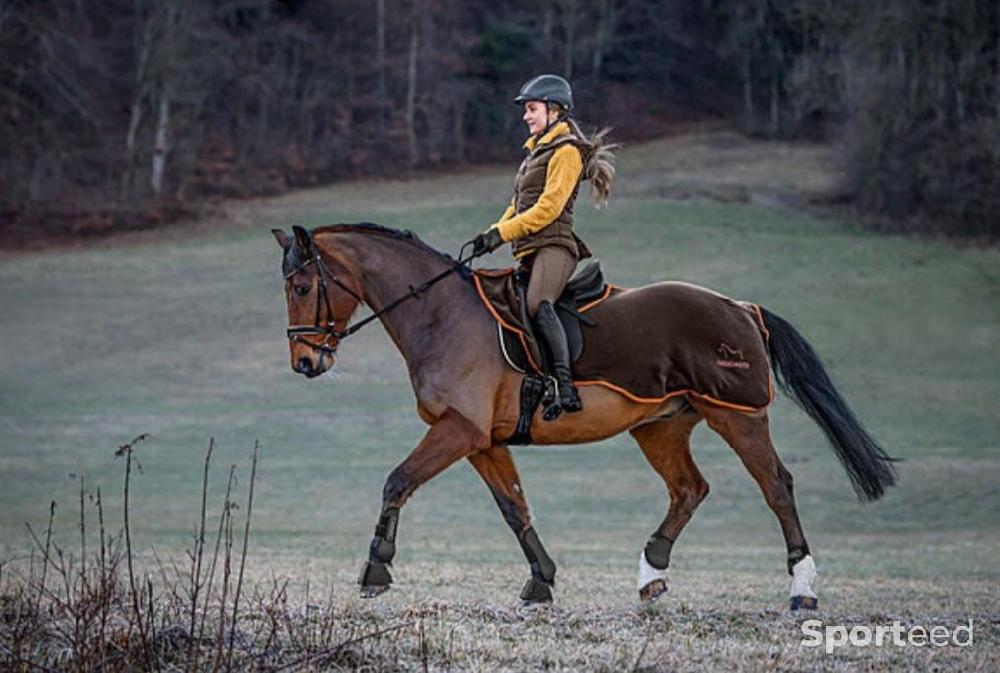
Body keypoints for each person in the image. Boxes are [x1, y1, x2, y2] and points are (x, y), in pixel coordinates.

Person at [470, 74, 616, 415]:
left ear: (555, 111)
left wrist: (503, 234)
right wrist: (490, 234)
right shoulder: (534, 153)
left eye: (532, 109)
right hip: (530, 249)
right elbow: (517, 205)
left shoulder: (566, 153)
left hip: (555, 248)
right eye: (526, 110)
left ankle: (565, 387)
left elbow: (548, 209)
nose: (526, 116)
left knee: (538, 304)